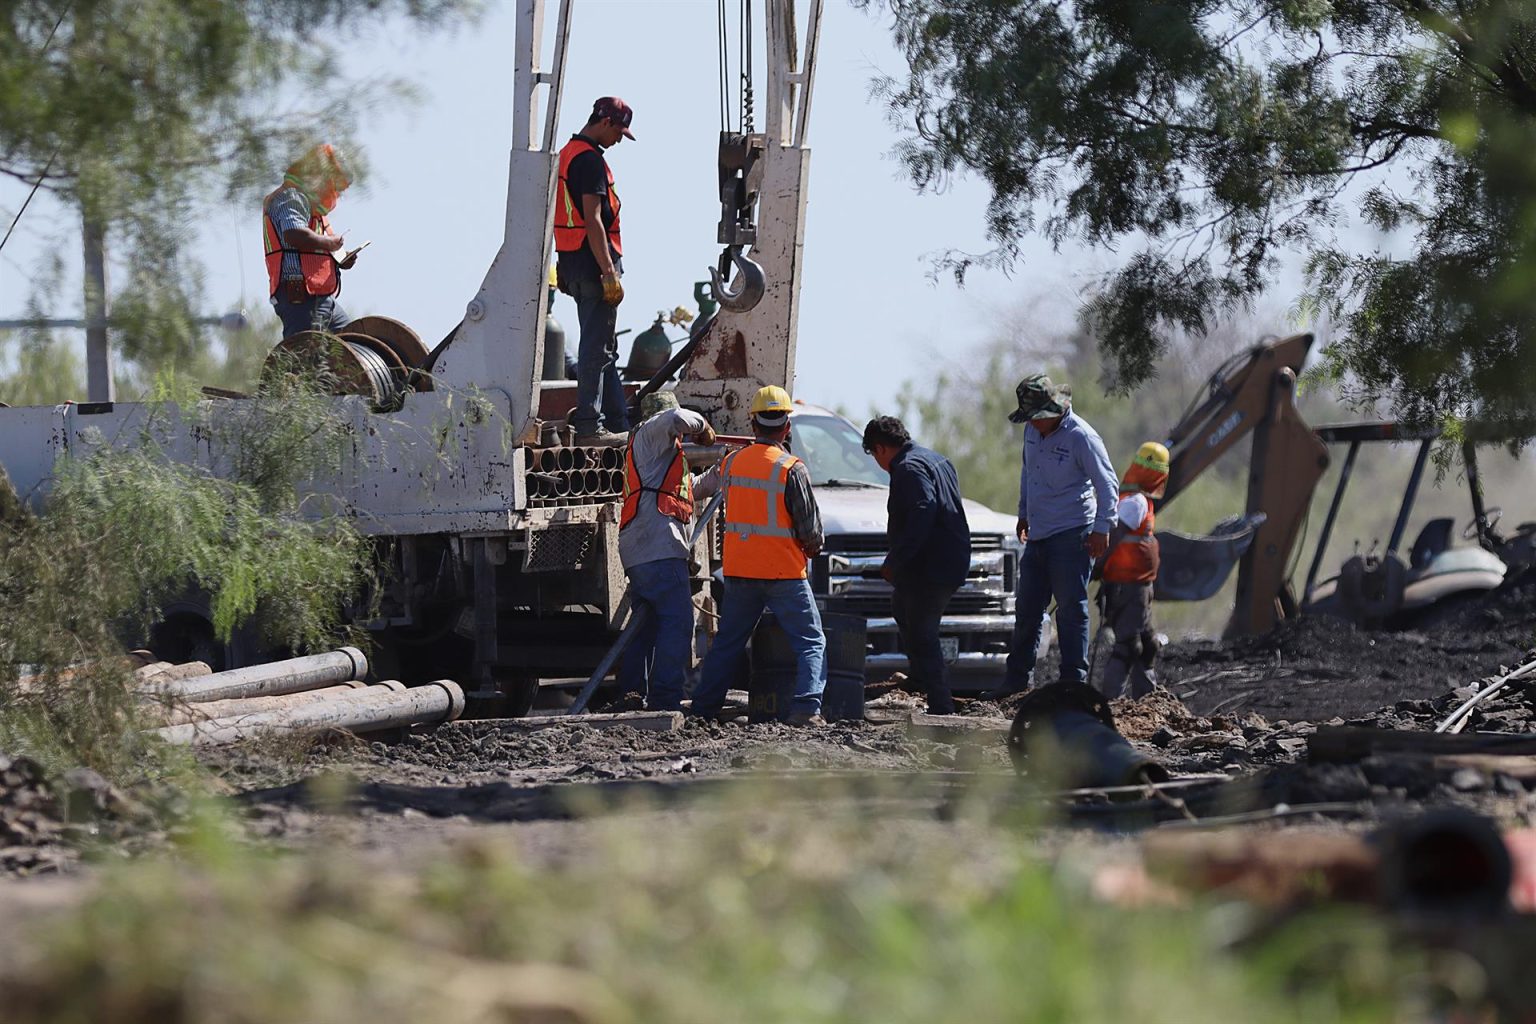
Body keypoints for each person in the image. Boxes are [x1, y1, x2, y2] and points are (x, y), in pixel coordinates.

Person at [689, 386, 827, 725]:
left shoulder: (732, 463)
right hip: (784, 574)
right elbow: (811, 531)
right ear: (787, 427)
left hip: (740, 574)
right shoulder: (791, 468)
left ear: (752, 424)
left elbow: (695, 489)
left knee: (727, 645)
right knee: (811, 641)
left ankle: (703, 710)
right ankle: (807, 709)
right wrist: (812, 548)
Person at [994, 373, 1118, 697]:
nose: (1032, 423)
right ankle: (1017, 680)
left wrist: (1102, 529)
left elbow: (1108, 486)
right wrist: (1024, 512)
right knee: (1027, 609)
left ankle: (1072, 684)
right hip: (1038, 535)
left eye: (1036, 417)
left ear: (1053, 409)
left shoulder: (1082, 437)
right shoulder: (1032, 433)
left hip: (1072, 533)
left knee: (1070, 609)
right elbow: (1028, 473)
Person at [862, 415, 971, 715]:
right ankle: (921, 678)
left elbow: (924, 508)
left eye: (874, 455)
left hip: (931, 565)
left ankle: (941, 705)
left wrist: (896, 559)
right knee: (902, 608)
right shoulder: (935, 459)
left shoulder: (908, 468)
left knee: (923, 631)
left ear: (881, 449)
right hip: (946, 559)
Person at [618, 391, 716, 711]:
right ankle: (664, 699)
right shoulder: (650, 431)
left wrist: (720, 472)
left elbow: (688, 490)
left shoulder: (655, 456)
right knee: (678, 622)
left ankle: (631, 693)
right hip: (658, 546)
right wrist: (703, 429)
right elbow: (677, 419)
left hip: (642, 547)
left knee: (645, 627)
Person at [555, 97, 635, 446]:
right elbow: (593, 220)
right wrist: (608, 273)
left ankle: (617, 420)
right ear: (604, 122)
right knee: (593, 348)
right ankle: (590, 424)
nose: (619, 138)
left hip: (572, 262)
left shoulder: (568, 154)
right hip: (592, 266)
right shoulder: (588, 161)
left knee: (603, 348)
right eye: (618, 130)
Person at [262, 143, 359, 339]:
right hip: (300, 298)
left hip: (321, 297)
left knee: (354, 344)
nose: (337, 194)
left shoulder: (313, 209)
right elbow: (294, 234)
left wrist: (340, 258)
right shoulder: (290, 197)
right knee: (305, 357)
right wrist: (330, 244)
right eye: (336, 186)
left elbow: (317, 247)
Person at [1098, 441, 1169, 699]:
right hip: (1129, 587)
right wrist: (1098, 568)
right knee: (1128, 646)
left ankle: (1148, 700)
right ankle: (1110, 704)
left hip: (1139, 586)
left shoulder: (1138, 501)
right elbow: (1113, 538)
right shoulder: (1136, 503)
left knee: (1147, 644)